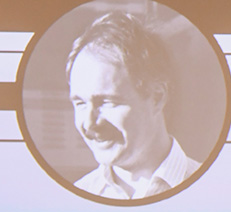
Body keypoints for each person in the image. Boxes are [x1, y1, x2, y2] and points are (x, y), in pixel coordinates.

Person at [66, 11, 200, 199]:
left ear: (157, 97)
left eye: (106, 102)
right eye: (80, 103)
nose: (89, 123)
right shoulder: (73, 198)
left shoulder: (216, 193)